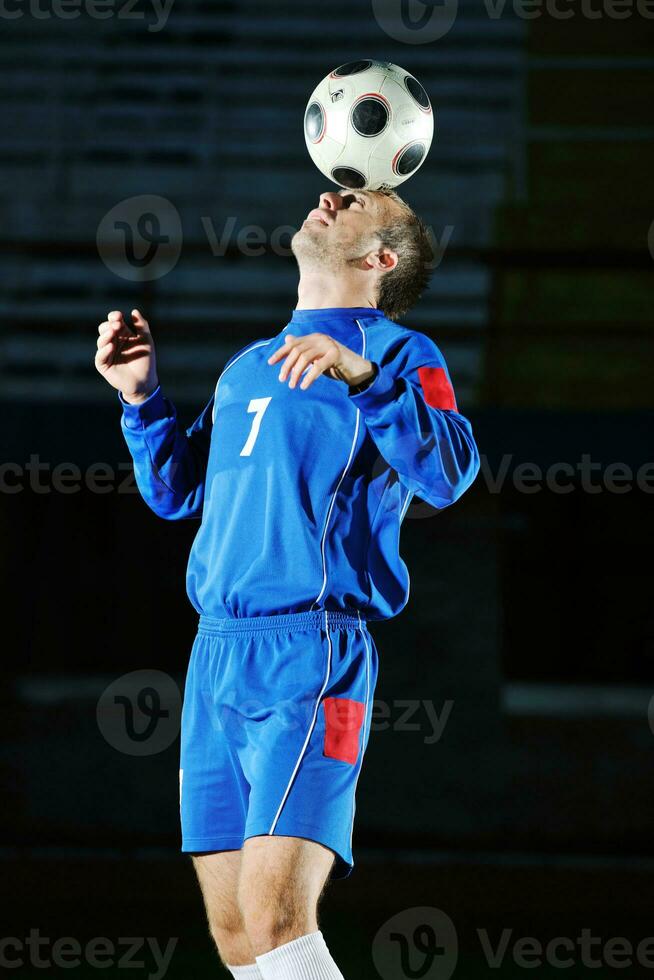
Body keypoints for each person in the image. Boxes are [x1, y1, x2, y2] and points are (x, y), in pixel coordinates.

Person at [95, 187, 480, 980]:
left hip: (314, 655)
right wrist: (140, 397)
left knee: (278, 919)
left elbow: (449, 473)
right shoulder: (248, 365)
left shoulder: (405, 356)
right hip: (215, 660)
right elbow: (176, 493)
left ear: (383, 258)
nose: (330, 194)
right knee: (238, 932)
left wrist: (364, 377)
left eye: (363, 200)